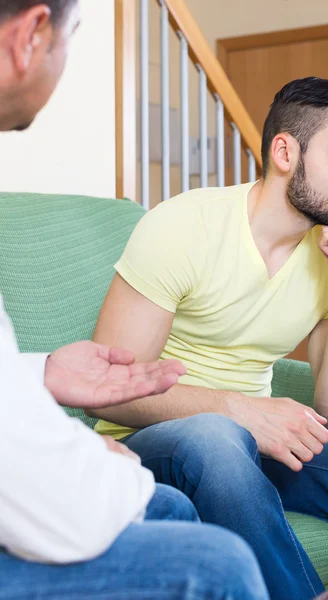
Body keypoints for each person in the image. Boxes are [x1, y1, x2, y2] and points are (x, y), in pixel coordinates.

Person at [91, 75, 328, 600]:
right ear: (286, 151)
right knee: (216, 439)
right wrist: (238, 411)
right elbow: (113, 387)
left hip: (257, 448)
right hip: (155, 444)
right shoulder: (183, 225)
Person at [0, 2, 269, 599]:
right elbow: (40, 495)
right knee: (216, 565)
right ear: (31, 36)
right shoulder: (179, 227)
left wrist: (40, 370)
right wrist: (115, 472)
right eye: (71, 36)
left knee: (172, 507)